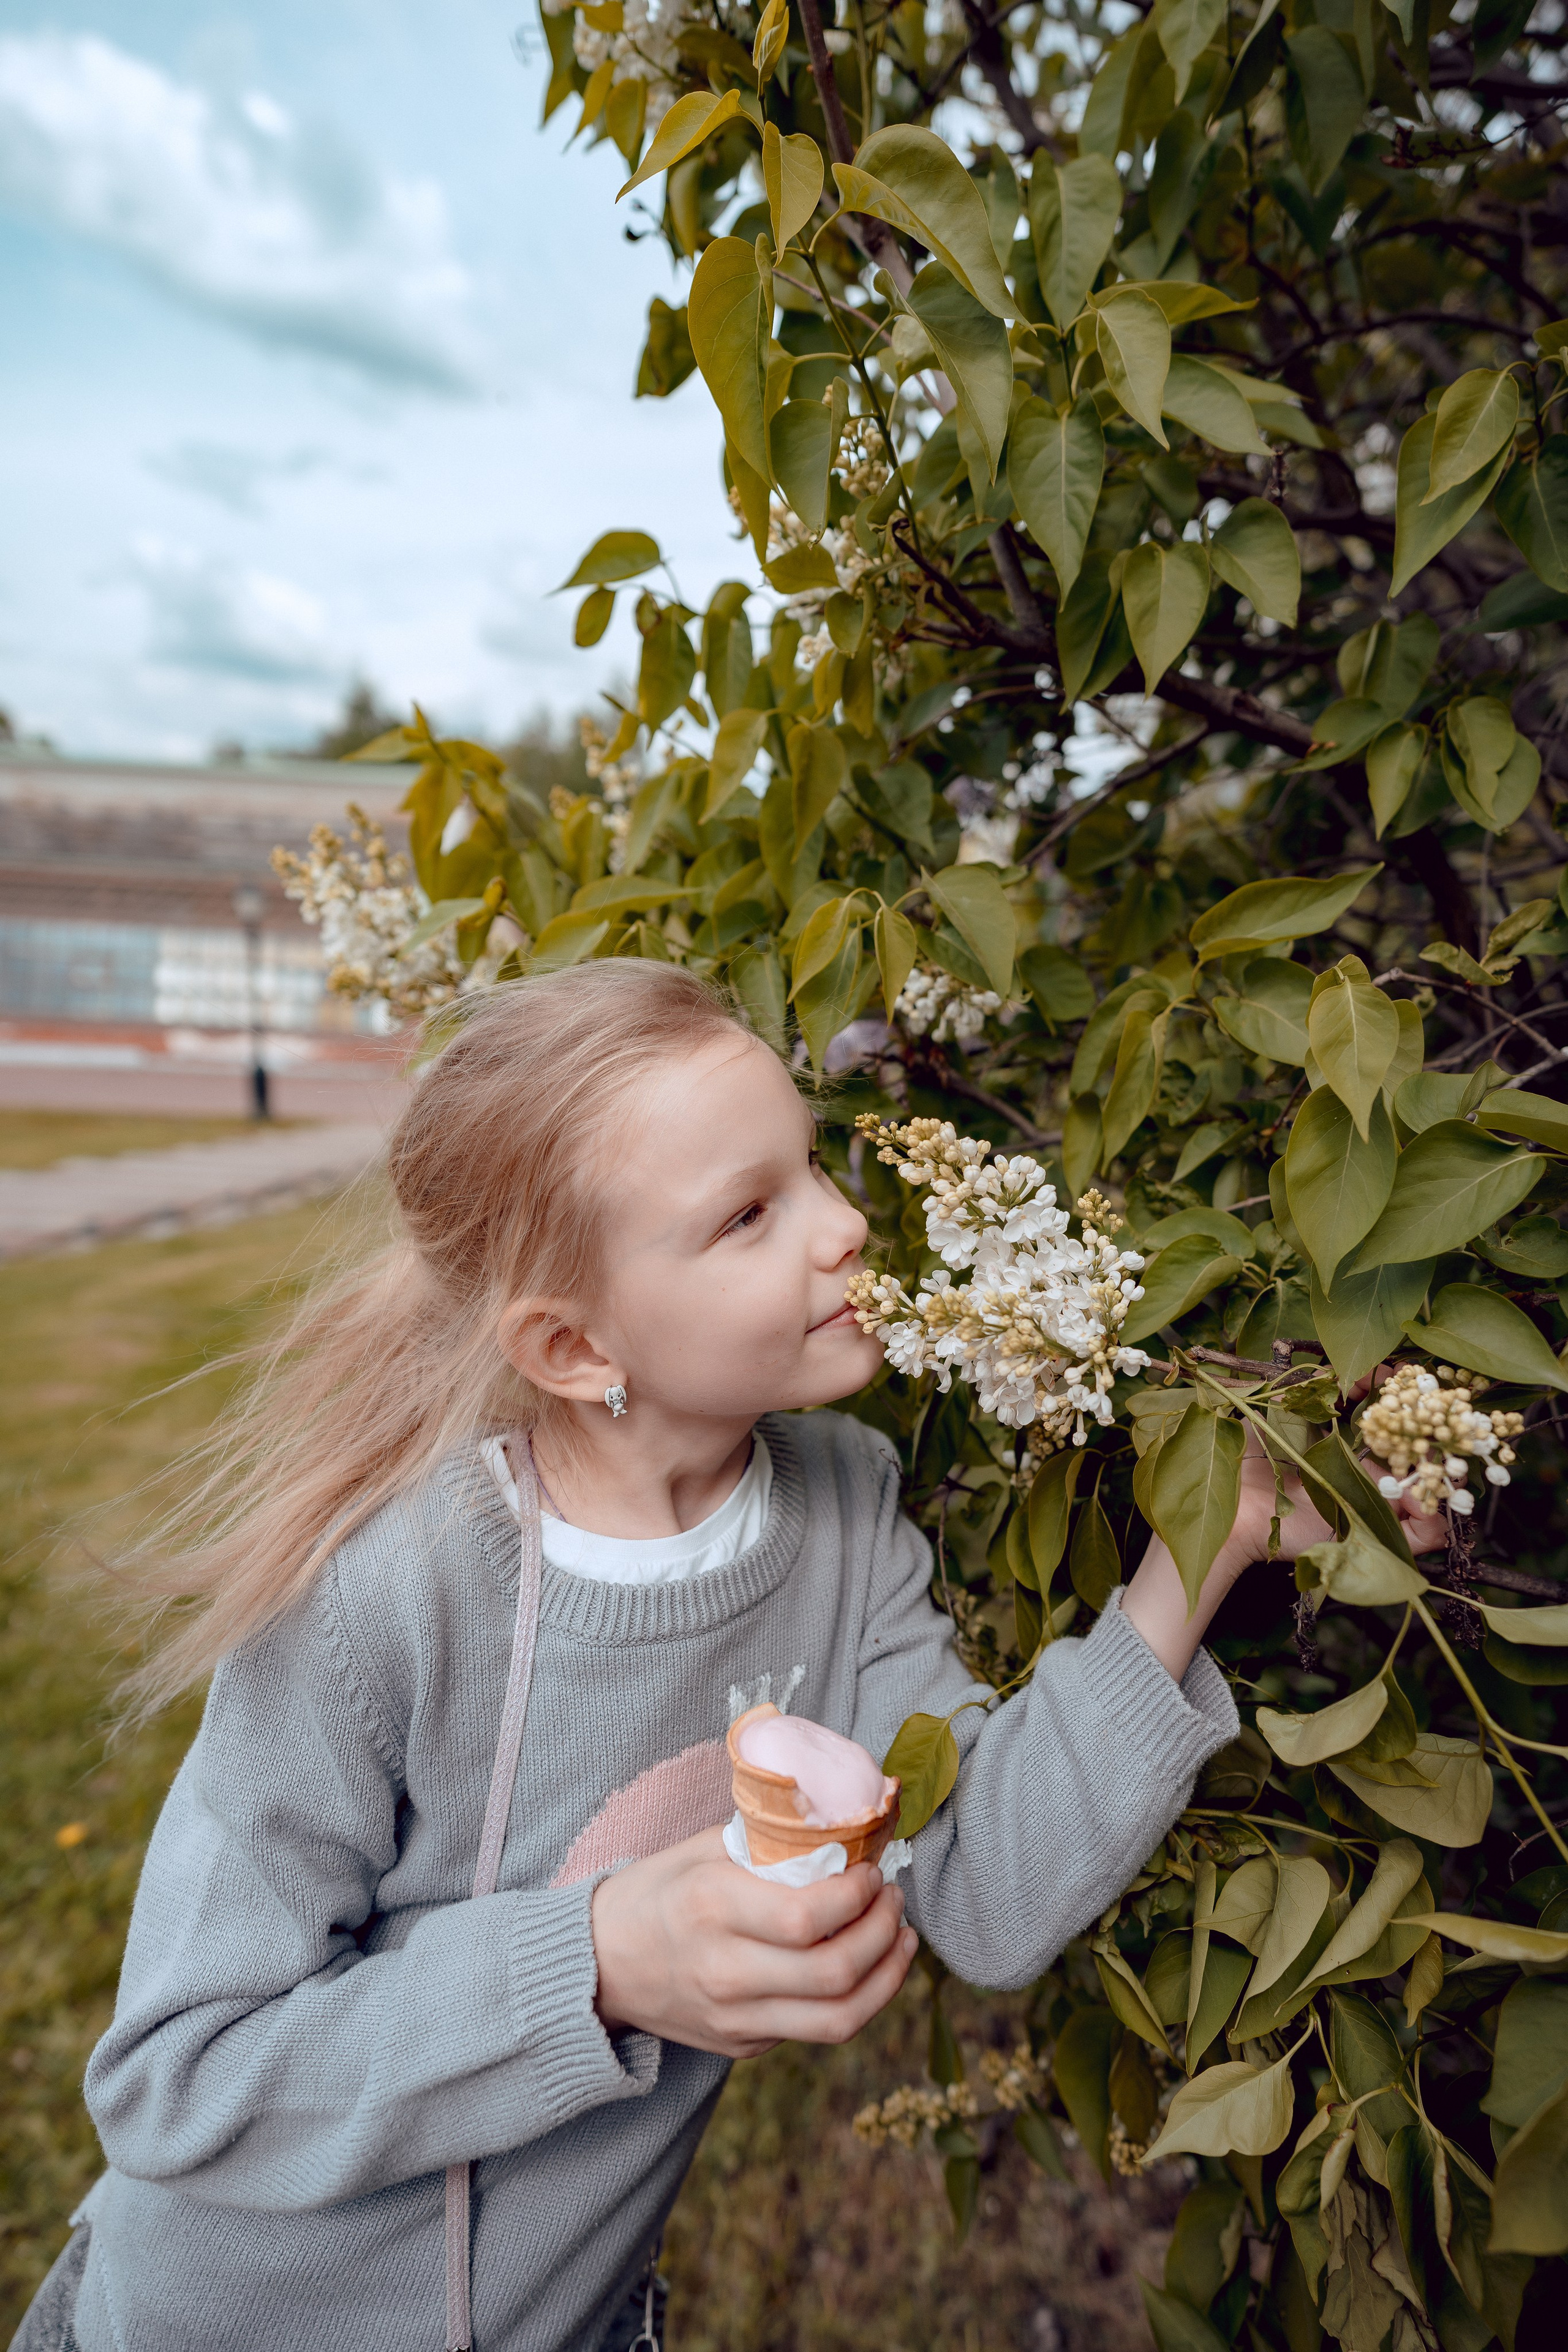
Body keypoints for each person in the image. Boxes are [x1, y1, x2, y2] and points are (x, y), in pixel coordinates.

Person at [14, 962, 1340, 2352]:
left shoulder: (843, 1512)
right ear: (573, 1343)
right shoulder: (385, 1595)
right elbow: (178, 2079)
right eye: (749, 1214)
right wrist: (599, 1962)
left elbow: (989, 1890)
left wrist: (1210, 1542)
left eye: (812, 1166)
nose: (846, 1225)